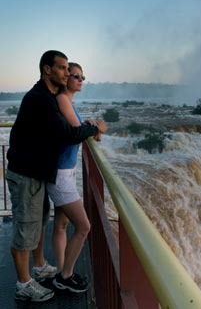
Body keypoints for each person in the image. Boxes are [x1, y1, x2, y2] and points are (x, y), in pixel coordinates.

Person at [6, 50, 106, 302]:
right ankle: (23, 284)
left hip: (38, 172)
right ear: (46, 70)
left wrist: (88, 127)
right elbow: (68, 134)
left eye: (68, 69)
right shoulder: (41, 99)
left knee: (38, 222)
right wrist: (94, 128)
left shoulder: (49, 97)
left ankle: (39, 268)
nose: (67, 72)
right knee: (25, 228)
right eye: (62, 68)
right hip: (26, 173)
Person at [49, 62, 103, 293]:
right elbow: (78, 132)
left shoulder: (69, 102)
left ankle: (62, 271)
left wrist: (90, 125)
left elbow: (82, 130)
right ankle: (66, 276)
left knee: (61, 224)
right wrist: (97, 127)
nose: (80, 80)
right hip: (59, 174)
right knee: (84, 226)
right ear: (65, 78)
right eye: (76, 76)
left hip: (65, 171)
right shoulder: (62, 99)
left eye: (83, 76)